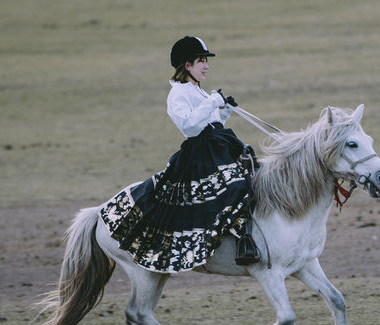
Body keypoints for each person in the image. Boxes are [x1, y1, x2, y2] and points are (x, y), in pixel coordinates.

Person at [99, 36, 261, 272]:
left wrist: (223, 110)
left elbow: (211, 121)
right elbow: (189, 126)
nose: (206, 66)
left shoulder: (199, 90)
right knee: (235, 187)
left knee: (253, 178)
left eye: (205, 61)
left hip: (221, 145)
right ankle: (239, 243)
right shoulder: (177, 94)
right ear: (187, 65)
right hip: (202, 154)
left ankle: (247, 235)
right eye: (201, 61)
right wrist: (212, 102)